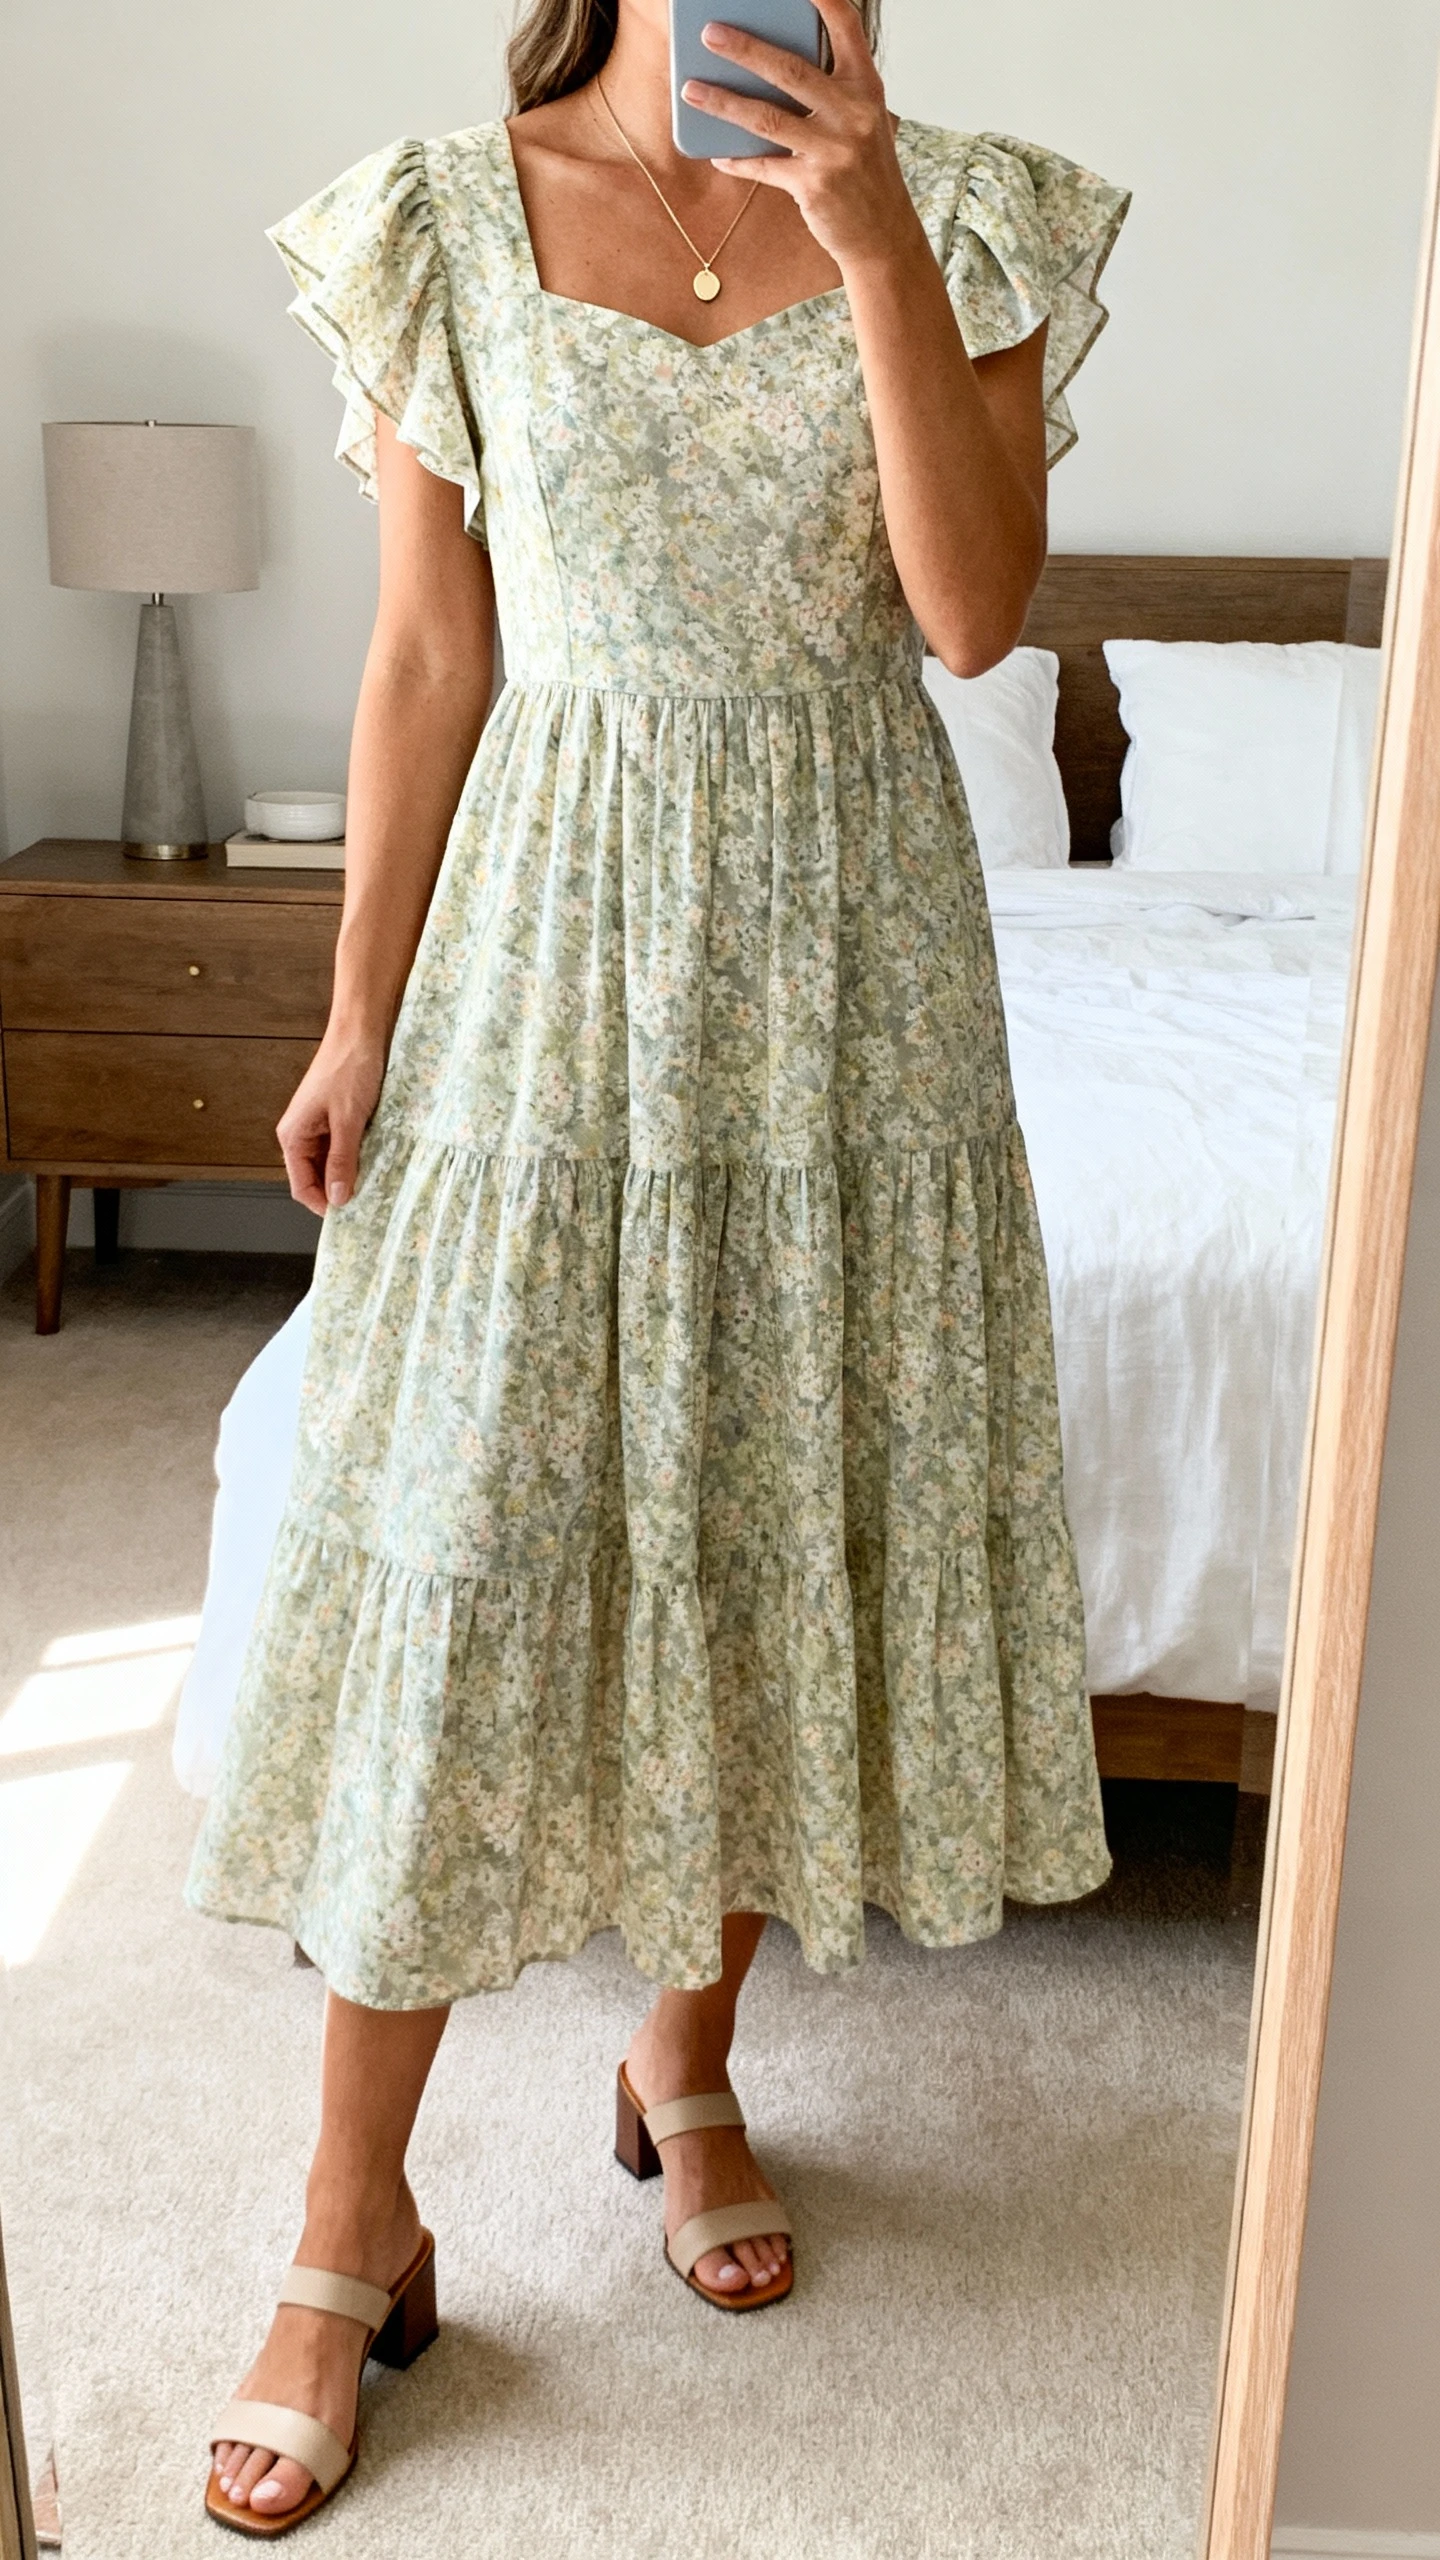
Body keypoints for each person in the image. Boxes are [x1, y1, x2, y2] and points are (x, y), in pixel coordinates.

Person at [188, 0, 1128, 2526]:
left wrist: (869, 234)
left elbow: (967, 618)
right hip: (549, 945)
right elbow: (425, 657)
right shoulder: (437, 215)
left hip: (850, 966)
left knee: (752, 1511)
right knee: (465, 1554)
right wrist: (359, 1010)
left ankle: (687, 2057)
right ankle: (342, 2214)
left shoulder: (971, 207)